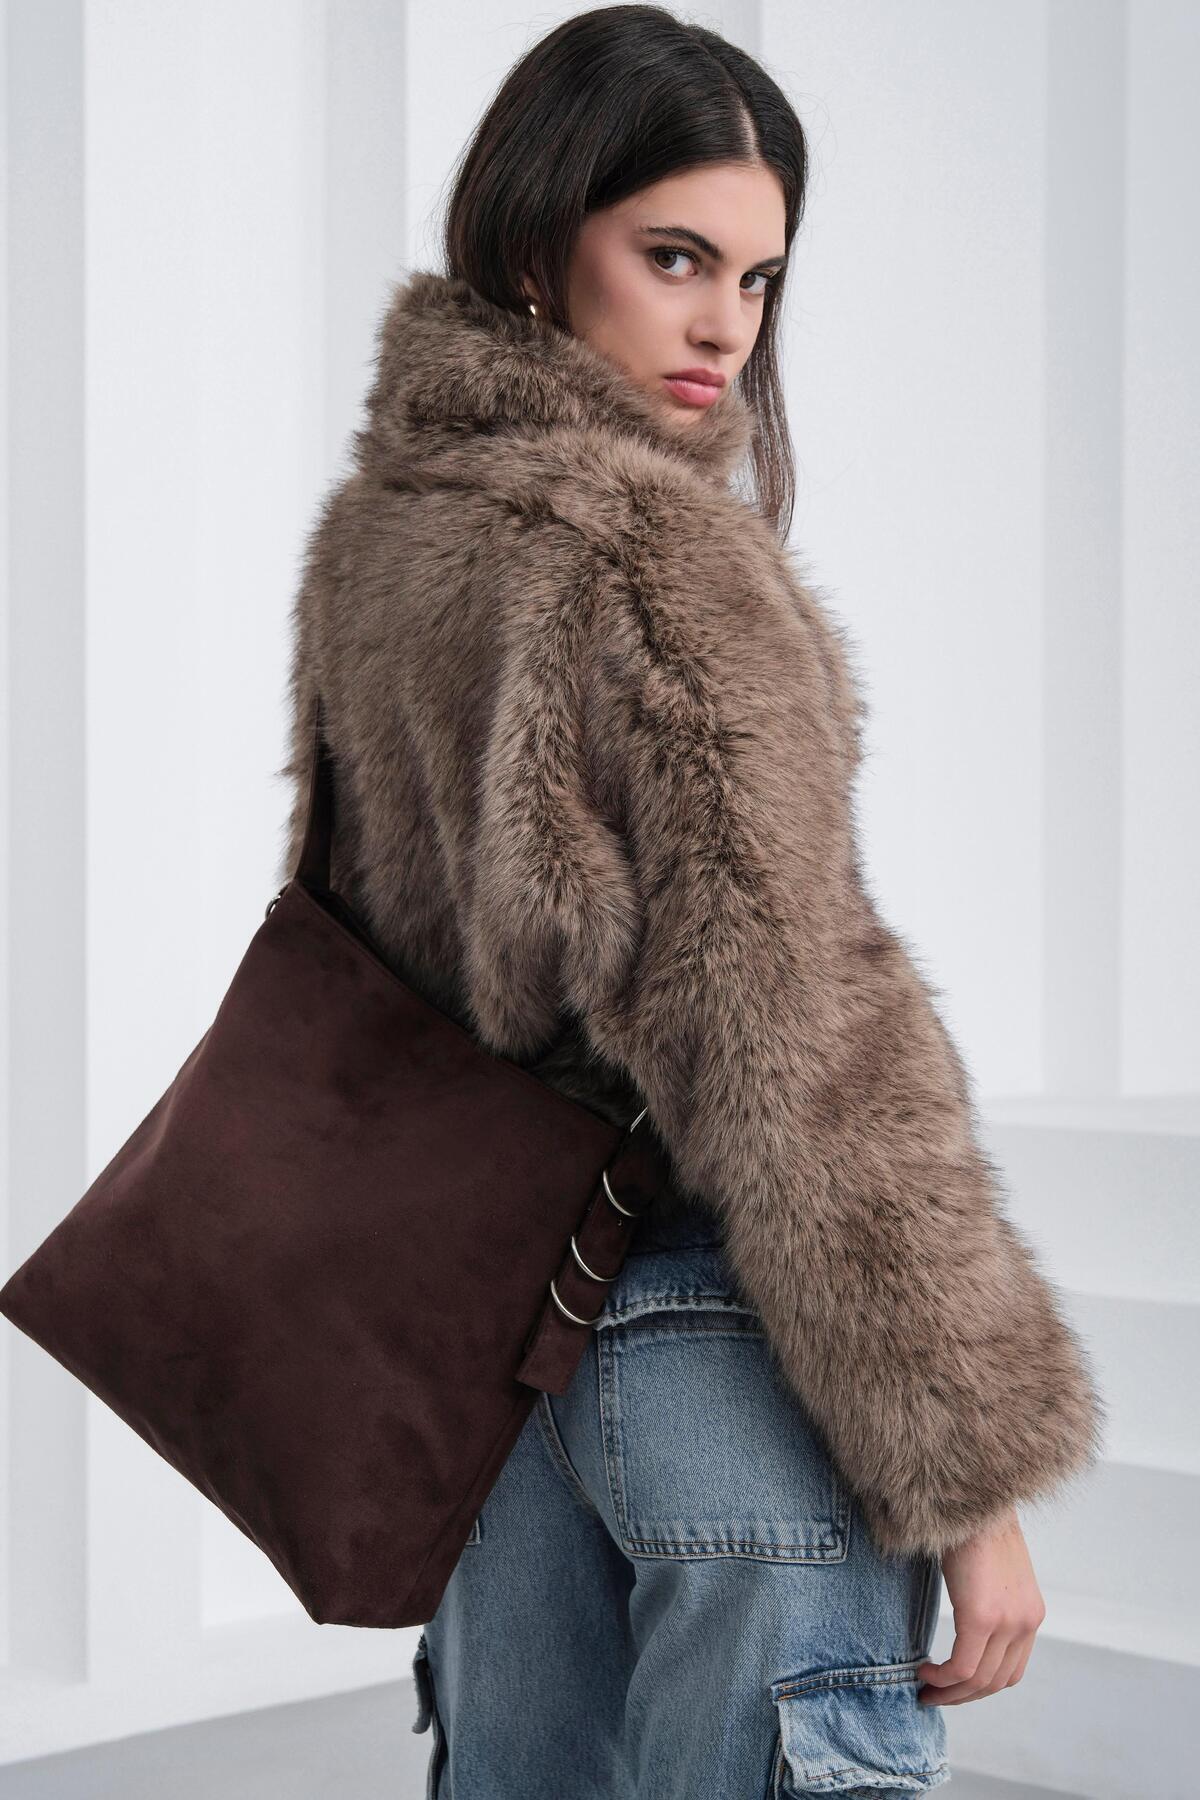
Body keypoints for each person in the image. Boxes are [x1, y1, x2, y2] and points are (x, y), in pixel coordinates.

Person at [275, 8, 1104, 1794]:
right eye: (674, 258)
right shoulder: (653, 561)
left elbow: (353, 974)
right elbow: (797, 1040)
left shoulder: (376, 543)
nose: (726, 325)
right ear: (534, 243)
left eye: (757, 277)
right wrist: (969, 1484)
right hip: (723, 1362)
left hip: (499, 1394)